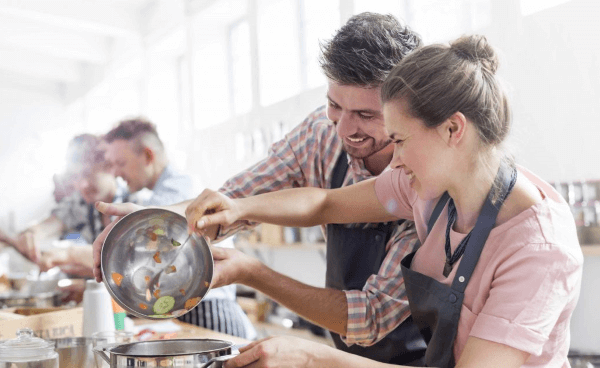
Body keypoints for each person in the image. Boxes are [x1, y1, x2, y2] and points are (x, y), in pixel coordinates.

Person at [185, 35, 583, 367]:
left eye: (401, 141)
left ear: (452, 129)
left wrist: (313, 358)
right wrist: (241, 207)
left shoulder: (539, 252)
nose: (394, 159)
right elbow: (323, 204)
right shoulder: (430, 190)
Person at [93, 12, 426, 365]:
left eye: (366, 115)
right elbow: (242, 198)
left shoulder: (424, 181)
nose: (344, 129)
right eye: (334, 105)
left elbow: (368, 319)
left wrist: (252, 272)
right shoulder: (320, 132)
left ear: (404, 108)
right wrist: (156, 220)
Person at [101, 118, 256, 339]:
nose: (116, 173)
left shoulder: (179, 188)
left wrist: (68, 254)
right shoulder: (160, 190)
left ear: (147, 156)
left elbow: (145, 246)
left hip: (209, 311)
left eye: (120, 163)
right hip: (187, 310)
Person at [0, 134, 130, 277]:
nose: (82, 185)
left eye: (87, 174)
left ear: (109, 167)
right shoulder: (81, 202)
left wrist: (70, 254)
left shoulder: (135, 202)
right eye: (76, 177)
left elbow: (125, 257)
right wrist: (32, 233)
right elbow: (54, 222)